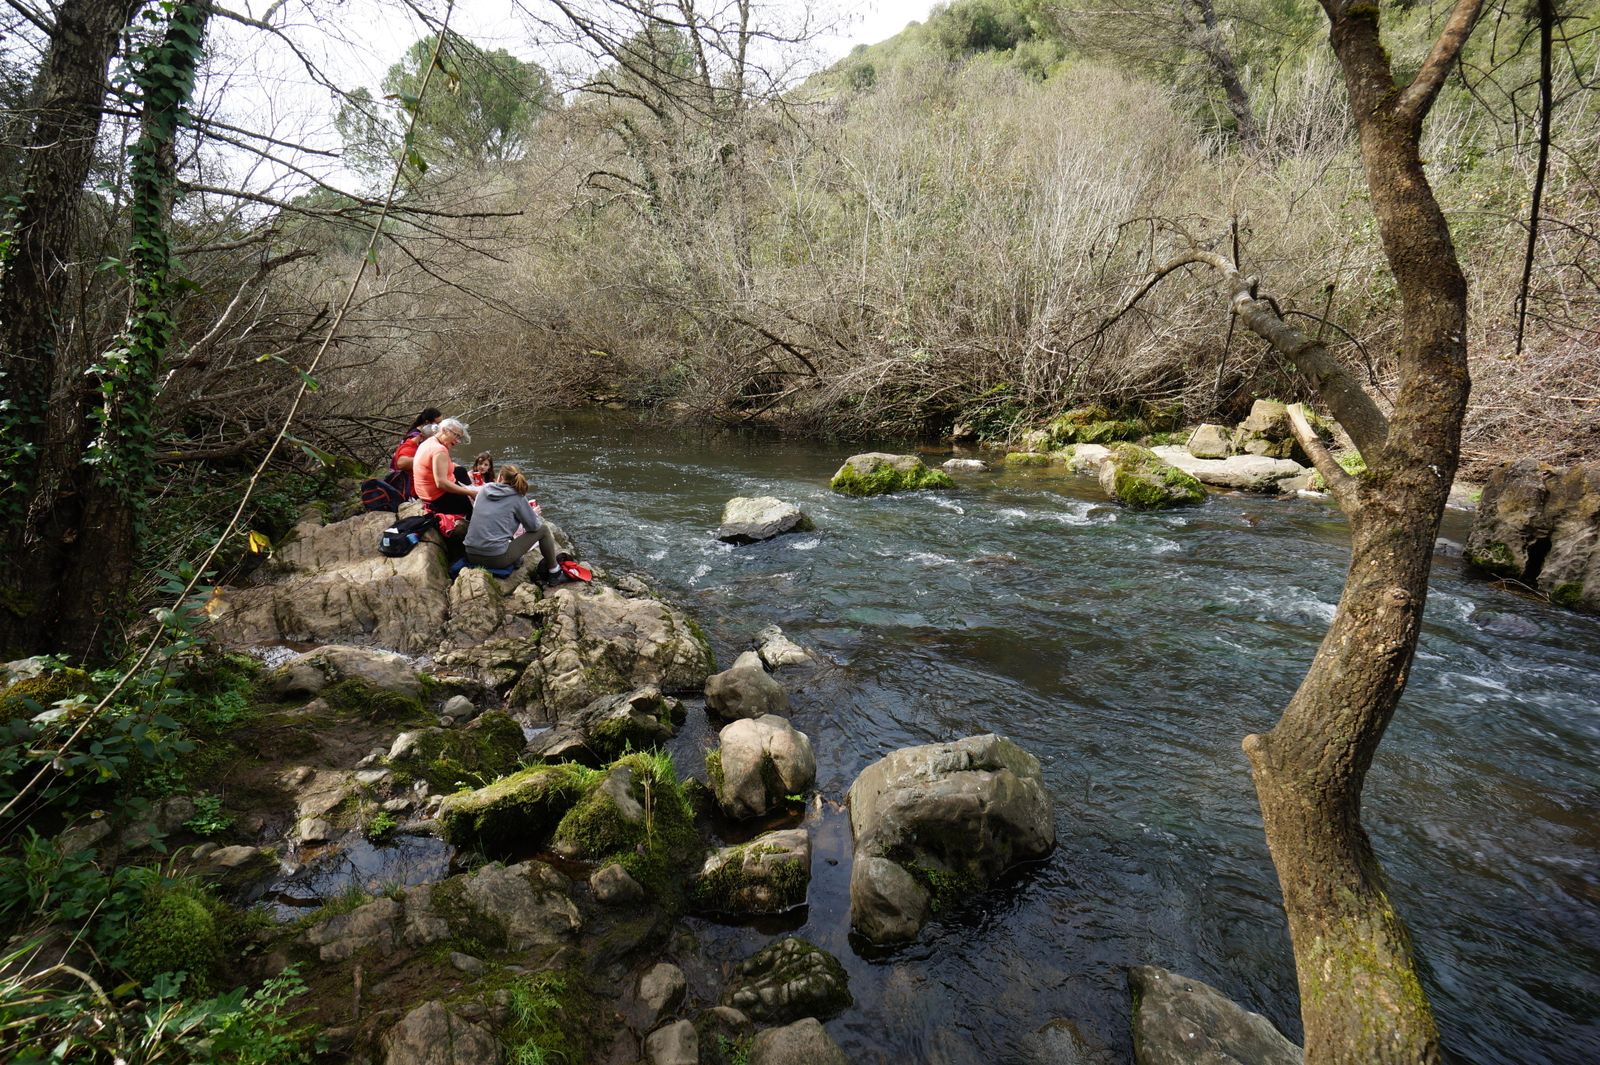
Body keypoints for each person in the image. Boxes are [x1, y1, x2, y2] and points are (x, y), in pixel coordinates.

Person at [463, 465, 569, 583]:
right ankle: (555, 573)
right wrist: (531, 513)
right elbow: (534, 527)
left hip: (470, 554)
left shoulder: (483, 490)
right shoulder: (518, 497)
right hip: (495, 558)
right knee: (543, 530)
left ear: (500, 477)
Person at [413, 417, 478, 516]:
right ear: (444, 430)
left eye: (459, 438)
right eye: (456, 436)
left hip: (425, 493)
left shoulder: (430, 441)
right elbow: (441, 483)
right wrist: (469, 493)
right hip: (437, 499)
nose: (458, 441)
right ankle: (470, 507)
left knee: (460, 470)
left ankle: (471, 490)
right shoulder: (439, 450)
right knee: (471, 509)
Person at [391, 407, 442, 474]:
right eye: (437, 424)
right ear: (427, 422)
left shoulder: (420, 432)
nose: (439, 426)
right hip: (405, 476)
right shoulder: (416, 437)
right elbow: (402, 463)